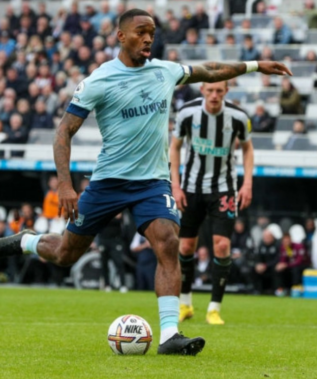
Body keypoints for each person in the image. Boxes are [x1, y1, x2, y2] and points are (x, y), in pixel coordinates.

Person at [0, 9, 291, 355]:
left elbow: (210, 70)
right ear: (121, 37)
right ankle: (26, 242)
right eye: (141, 32)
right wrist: (65, 185)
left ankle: (169, 335)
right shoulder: (100, 80)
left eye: (152, 32)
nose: (149, 38)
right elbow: (64, 131)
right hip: (108, 182)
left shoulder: (164, 71)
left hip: (152, 182)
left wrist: (256, 65)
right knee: (65, 253)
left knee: (167, 242)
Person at [170, 79, 254, 326]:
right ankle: (185, 304)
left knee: (221, 246)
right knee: (185, 247)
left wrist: (247, 183)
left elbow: (248, 149)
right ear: (203, 90)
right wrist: (175, 184)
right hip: (190, 188)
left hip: (224, 189)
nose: (215, 95)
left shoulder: (238, 117)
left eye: (220, 90)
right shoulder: (187, 112)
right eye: (210, 90)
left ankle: (214, 309)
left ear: (226, 91)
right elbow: (174, 147)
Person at [98, 213, 127, 293]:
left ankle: (122, 285)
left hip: (115, 240)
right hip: (104, 240)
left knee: (119, 263)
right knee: (104, 264)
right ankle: (107, 285)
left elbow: (119, 218)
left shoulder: (117, 207)